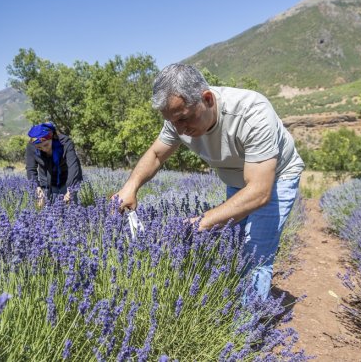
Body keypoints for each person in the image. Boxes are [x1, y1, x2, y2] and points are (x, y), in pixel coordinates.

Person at [113, 63, 304, 300]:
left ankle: (245, 330)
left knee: (255, 253)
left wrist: (198, 223)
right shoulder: (177, 118)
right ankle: (233, 304)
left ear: (207, 99)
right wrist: (130, 188)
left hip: (275, 177)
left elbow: (258, 192)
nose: (180, 129)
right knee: (234, 246)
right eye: (173, 122)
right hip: (237, 178)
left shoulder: (252, 112)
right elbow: (156, 155)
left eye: (184, 119)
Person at [25, 122, 83, 206]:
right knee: (47, 208)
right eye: (39, 147)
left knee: (71, 205)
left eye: (46, 145)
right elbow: (31, 169)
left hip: (67, 178)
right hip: (46, 179)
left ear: (52, 138)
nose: (44, 149)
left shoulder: (65, 142)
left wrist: (70, 189)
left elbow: (73, 166)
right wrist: (37, 188)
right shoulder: (31, 147)